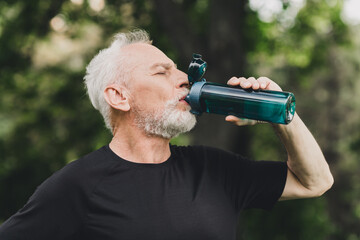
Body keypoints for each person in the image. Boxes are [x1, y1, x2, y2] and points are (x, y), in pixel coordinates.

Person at [0, 30, 333, 240]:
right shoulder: (77, 185)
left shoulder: (215, 169)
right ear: (119, 97)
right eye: (161, 72)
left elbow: (314, 182)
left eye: (178, 69)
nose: (184, 79)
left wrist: (280, 115)